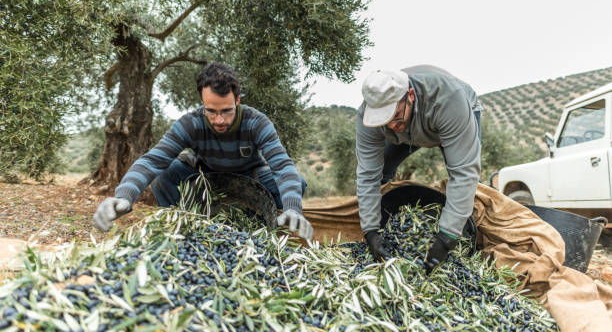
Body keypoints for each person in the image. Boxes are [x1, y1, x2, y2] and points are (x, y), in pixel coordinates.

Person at [93, 63, 313, 240]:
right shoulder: (191, 123)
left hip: (249, 176)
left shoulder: (257, 122)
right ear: (202, 103)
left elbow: (283, 166)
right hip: (205, 177)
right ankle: (179, 229)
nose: (219, 120)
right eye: (211, 111)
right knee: (163, 175)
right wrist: (124, 196)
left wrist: (293, 207)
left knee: (297, 184)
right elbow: (151, 161)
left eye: (226, 111)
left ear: (237, 100)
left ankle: (265, 234)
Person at [356, 65, 482, 272]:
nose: (390, 126)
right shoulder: (369, 118)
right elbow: (367, 176)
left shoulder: (449, 100)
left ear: (410, 95)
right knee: (381, 173)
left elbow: (464, 173)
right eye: (383, 121)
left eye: (393, 117)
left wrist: (446, 237)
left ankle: (464, 228)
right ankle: (381, 216)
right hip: (411, 126)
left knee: (464, 179)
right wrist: (370, 230)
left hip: (446, 115)